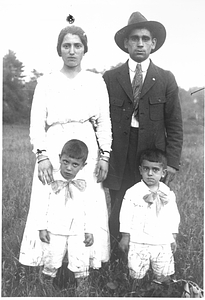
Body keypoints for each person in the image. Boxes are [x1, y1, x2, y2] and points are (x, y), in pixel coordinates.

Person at [19, 20, 112, 270]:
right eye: (66, 45)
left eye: (77, 45)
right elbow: (36, 123)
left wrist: (104, 155)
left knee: (87, 197)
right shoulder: (46, 82)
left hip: (86, 146)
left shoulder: (96, 81)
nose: (72, 51)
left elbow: (104, 122)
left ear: (85, 49)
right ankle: (48, 260)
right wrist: (42, 155)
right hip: (54, 144)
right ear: (59, 49)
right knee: (49, 195)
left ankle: (85, 261)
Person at [103, 12, 183, 248]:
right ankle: (117, 261)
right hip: (120, 154)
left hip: (152, 155)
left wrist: (172, 163)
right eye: (134, 38)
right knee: (119, 204)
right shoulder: (110, 78)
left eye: (145, 39)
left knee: (151, 206)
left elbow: (175, 125)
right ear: (126, 43)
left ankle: (149, 259)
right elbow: (101, 121)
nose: (140, 43)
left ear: (153, 43)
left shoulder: (166, 79)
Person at [21, 139, 94, 285]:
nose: (68, 168)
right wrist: (42, 228)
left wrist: (89, 230)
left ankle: (83, 291)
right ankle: (46, 288)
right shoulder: (50, 180)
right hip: (54, 231)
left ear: (83, 165)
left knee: (80, 263)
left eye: (75, 165)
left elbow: (90, 209)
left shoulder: (85, 183)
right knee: (51, 262)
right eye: (65, 161)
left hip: (78, 232)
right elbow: (41, 206)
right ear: (59, 157)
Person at [119, 149, 180, 283]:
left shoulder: (167, 193)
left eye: (155, 170)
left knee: (163, 274)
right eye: (146, 169)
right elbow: (125, 215)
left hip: (161, 241)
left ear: (163, 173)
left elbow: (173, 216)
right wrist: (125, 236)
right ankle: (137, 292)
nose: (150, 173)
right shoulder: (133, 192)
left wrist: (173, 236)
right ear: (140, 170)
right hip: (138, 241)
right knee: (136, 273)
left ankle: (162, 292)